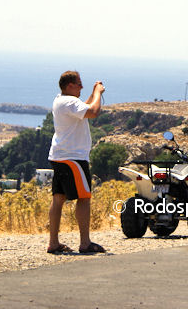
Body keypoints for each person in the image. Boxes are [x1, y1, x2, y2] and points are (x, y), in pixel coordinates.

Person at [46, 70, 106, 254]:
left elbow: (84, 106)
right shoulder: (70, 102)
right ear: (70, 85)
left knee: (58, 198)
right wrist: (98, 93)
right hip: (74, 157)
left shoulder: (61, 100)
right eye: (79, 83)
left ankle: (53, 243)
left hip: (59, 156)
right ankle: (85, 243)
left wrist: (92, 95)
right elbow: (93, 112)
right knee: (84, 198)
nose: (81, 86)